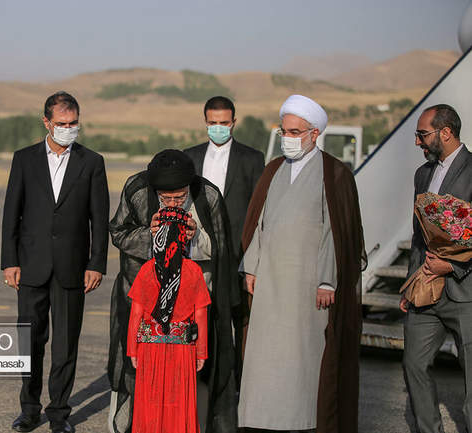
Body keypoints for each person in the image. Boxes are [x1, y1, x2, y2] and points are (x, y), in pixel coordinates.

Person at [239, 94, 365, 433]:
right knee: (266, 358)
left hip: (308, 286)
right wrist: (251, 267)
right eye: (284, 131)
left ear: (314, 134)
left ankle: (305, 421)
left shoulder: (334, 173)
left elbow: (336, 233)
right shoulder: (273, 170)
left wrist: (327, 280)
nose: (288, 138)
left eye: (295, 132)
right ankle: (264, 421)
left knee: (302, 360)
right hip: (270, 282)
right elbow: (259, 222)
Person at [1, 91, 110, 433]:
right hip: (31, 266)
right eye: (62, 123)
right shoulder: (24, 159)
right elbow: (11, 213)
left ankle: (60, 414)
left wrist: (96, 263)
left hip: (72, 269)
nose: (68, 128)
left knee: (65, 346)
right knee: (30, 341)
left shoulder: (92, 162)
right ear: (46, 122)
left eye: (73, 122)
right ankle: (29, 409)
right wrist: (9, 261)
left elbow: (99, 217)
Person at [108, 149, 238, 433]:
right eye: (165, 198)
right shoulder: (137, 189)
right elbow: (118, 232)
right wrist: (150, 235)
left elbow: (223, 247)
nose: (173, 203)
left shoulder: (208, 195)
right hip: (146, 299)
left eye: (179, 198)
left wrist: (195, 237)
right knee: (137, 374)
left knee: (192, 379)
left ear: (189, 187)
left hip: (191, 303)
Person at [400, 104, 472, 433]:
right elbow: (418, 235)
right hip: (426, 290)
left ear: (446, 132)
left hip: (466, 292)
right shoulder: (422, 174)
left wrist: (452, 265)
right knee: (413, 364)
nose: (418, 141)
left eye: (422, 134)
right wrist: (410, 283)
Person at [184, 95, 264, 381]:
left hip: (238, 254)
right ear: (205, 122)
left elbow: (258, 211)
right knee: (201, 318)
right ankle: (203, 381)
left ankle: (240, 385)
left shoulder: (252, 159)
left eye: (224, 123)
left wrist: (252, 259)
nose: (218, 128)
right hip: (200, 253)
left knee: (240, 320)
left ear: (234, 122)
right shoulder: (190, 157)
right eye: (213, 123)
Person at [127, 206, 211, 433]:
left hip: (149, 349)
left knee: (151, 403)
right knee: (178, 403)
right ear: (183, 237)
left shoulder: (147, 270)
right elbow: (200, 315)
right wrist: (201, 352)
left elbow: (136, 313)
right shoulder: (193, 271)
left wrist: (132, 349)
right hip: (182, 350)